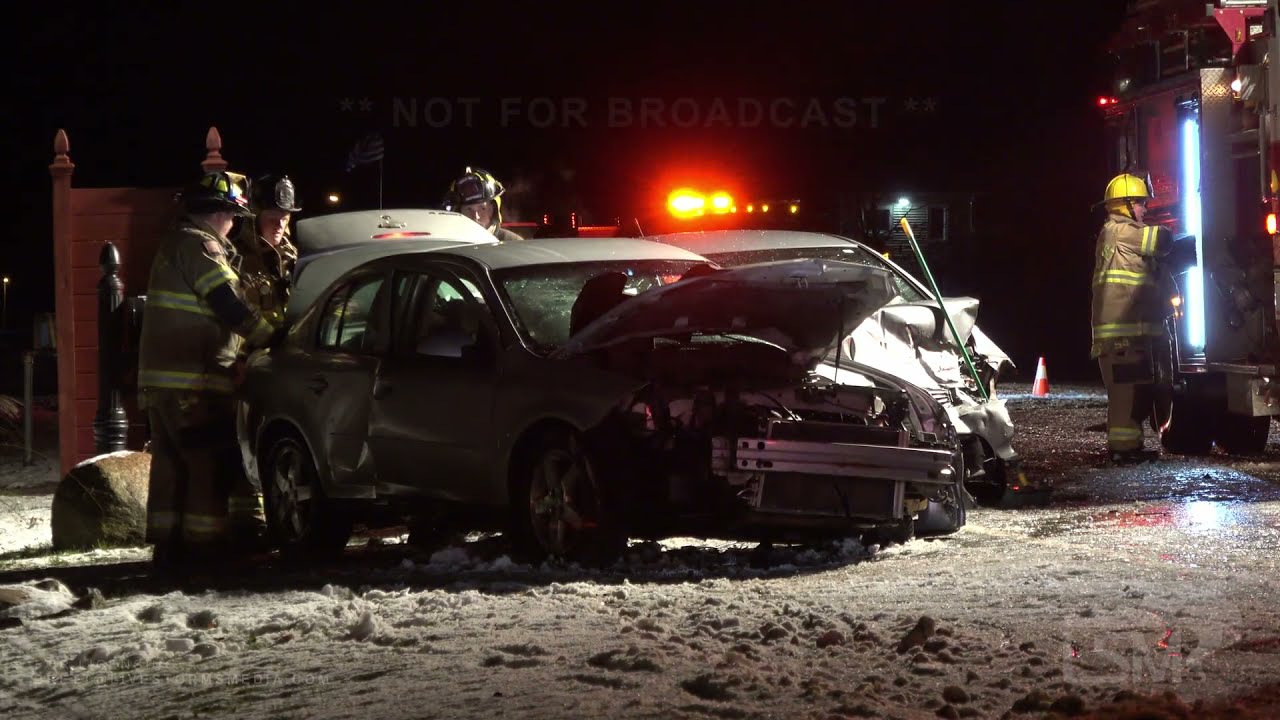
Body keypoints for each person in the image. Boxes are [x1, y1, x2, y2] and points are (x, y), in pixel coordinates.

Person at [138, 170, 281, 573]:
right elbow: (229, 305)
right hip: (195, 381)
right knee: (206, 464)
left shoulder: (174, 244)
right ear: (217, 213)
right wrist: (272, 337)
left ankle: (169, 549)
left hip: (163, 382)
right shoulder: (201, 247)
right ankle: (205, 552)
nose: (234, 225)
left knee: (170, 465)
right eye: (233, 217)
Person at [225, 174, 301, 543]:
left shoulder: (293, 255)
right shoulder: (235, 257)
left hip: (283, 362)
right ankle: (247, 522)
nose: (281, 222)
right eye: (273, 215)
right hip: (245, 363)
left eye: (286, 215)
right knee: (243, 440)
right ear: (254, 215)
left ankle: (274, 514)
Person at [1091, 172, 1186, 464]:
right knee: (1125, 396)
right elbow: (1162, 240)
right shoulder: (1119, 230)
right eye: (1142, 204)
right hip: (1120, 336)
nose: (1145, 209)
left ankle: (1129, 447)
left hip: (1127, 335)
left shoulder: (1122, 234)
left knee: (1133, 394)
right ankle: (1122, 450)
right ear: (1126, 205)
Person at [443, 167, 524, 242]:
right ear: (459, 212)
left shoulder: (513, 242)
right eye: (468, 209)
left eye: (482, 208)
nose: (475, 217)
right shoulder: (449, 245)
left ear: (494, 210)